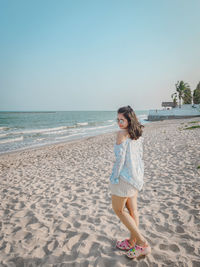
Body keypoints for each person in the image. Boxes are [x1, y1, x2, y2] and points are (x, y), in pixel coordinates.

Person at [109, 105, 151, 259]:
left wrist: (114, 177)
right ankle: (132, 242)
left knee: (118, 210)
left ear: (129, 119)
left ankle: (142, 243)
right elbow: (139, 157)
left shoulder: (121, 134)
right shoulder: (137, 133)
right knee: (133, 211)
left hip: (125, 178)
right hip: (136, 176)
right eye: (118, 119)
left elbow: (120, 160)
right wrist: (139, 176)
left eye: (122, 119)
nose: (119, 122)